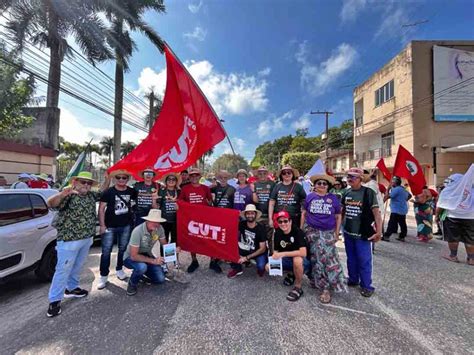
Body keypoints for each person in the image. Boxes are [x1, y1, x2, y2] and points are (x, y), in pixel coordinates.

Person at [45, 171, 110, 317]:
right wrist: (62, 194)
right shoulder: (68, 195)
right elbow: (50, 204)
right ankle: (54, 301)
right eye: (83, 182)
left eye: (88, 183)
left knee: (77, 265)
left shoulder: (91, 195)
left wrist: (108, 178)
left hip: (86, 238)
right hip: (69, 240)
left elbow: (102, 191)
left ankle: (72, 288)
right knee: (62, 270)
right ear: (75, 182)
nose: (86, 185)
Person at [302, 173, 346, 304]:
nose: (321, 185)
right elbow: (304, 214)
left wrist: (337, 233)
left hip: (328, 233)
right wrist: (301, 230)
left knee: (328, 259)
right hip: (312, 232)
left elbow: (338, 216)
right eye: (319, 183)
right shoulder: (310, 197)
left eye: (324, 183)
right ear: (314, 185)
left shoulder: (333, 198)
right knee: (316, 259)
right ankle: (318, 282)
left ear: (328, 186)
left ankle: (326, 288)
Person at [341, 167, 382, 298]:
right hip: (348, 232)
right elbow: (342, 213)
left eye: (352, 177)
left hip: (363, 233)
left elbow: (377, 214)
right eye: (348, 176)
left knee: (364, 260)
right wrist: (338, 230)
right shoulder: (346, 193)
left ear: (360, 179)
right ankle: (353, 279)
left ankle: (366, 286)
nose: (349, 179)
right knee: (351, 258)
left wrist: (379, 231)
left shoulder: (368, 192)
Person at [98, 170, 138, 289]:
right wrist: (102, 225)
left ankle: (119, 269)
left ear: (128, 179)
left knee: (122, 249)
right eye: (118, 177)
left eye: (124, 177)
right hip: (110, 226)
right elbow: (101, 209)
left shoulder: (132, 191)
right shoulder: (108, 192)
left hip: (126, 225)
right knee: (106, 251)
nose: (121, 180)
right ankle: (103, 276)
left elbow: (134, 206)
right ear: (115, 178)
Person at [178, 168, 216, 273]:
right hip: (191, 219)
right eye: (192, 176)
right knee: (193, 240)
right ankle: (194, 261)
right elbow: (181, 202)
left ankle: (212, 261)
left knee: (209, 239)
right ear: (189, 177)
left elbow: (210, 202)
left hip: (205, 218)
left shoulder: (205, 188)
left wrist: (209, 203)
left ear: (200, 177)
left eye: (196, 175)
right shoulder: (185, 189)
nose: (194, 177)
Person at [123, 209, 168, 296]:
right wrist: (154, 261)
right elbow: (133, 256)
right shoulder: (138, 231)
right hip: (129, 258)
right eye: (154, 221)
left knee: (160, 279)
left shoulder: (159, 228)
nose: (156, 224)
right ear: (147, 220)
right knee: (141, 267)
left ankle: (141, 274)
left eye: (158, 222)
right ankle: (132, 284)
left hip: (146, 255)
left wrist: (173, 249)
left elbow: (164, 244)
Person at [268, 211, 311, 302]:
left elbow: (303, 253)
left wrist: (283, 254)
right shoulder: (277, 233)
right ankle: (292, 273)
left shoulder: (298, 232)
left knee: (297, 260)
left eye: (285, 221)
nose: (283, 224)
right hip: (287, 259)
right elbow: (276, 252)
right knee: (268, 267)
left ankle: (298, 287)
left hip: (304, 261)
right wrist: (275, 266)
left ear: (290, 221)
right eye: (280, 222)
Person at [437, 171, 474, 265]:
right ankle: (471, 259)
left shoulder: (448, 190)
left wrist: (437, 216)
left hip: (452, 216)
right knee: (470, 239)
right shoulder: (471, 189)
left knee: (453, 237)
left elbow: (441, 205)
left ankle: (453, 256)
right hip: (470, 217)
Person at [227, 204, 267, 278]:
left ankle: (250, 261)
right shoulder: (242, 224)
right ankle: (237, 269)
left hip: (258, 251)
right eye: (248, 213)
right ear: (245, 215)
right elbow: (232, 232)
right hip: (246, 248)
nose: (250, 215)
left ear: (255, 215)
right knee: (231, 248)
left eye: (252, 213)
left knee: (261, 267)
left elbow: (262, 249)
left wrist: (246, 258)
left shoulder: (261, 228)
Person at [268, 165, 306, 229]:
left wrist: (302, 219)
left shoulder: (298, 186)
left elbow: (304, 202)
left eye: (289, 172)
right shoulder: (277, 186)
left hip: (294, 218)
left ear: (292, 174)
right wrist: (270, 219)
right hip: (280, 218)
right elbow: (271, 203)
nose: (286, 174)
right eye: (284, 173)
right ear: (281, 175)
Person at [153, 172, 180, 249]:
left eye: (173, 179)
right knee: (163, 241)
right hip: (164, 221)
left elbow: (180, 208)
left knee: (174, 241)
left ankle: (174, 260)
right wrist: (153, 199)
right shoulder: (161, 191)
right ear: (166, 181)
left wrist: (174, 201)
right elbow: (156, 207)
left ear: (176, 181)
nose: (171, 181)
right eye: (169, 179)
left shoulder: (179, 192)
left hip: (176, 221)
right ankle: (163, 260)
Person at [382, 176, 410, 242]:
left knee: (391, 223)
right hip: (402, 209)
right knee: (402, 223)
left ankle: (386, 236)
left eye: (392, 182)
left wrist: (388, 190)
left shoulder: (396, 189)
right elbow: (409, 195)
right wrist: (404, 200)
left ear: (395, 183)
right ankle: (402, 236)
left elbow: (388, 196)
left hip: (396, 210)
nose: (391, 183)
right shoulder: (403, 189)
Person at [253, 166, 276, 244]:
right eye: (260, 173)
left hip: (269, 216)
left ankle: (271, 254)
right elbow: (255, 200)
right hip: (258, 216)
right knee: (259, 237)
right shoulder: (255, 184)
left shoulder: (273, 184)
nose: (262, 175)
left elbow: (274, 200)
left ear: (267, 174)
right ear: (257, 175)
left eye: (264, 173)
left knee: (270, 238)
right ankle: (259, 254)